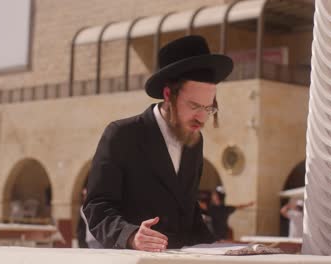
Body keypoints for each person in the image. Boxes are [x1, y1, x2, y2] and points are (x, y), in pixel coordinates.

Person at [83, 35, 234, 251]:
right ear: (167, 95)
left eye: (208, 108)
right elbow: (97, 206)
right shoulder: (122, 134)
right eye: (194, 106)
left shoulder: (195, 140)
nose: (202, 118)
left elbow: (188, 211)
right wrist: (131, 235)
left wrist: (219, 247)